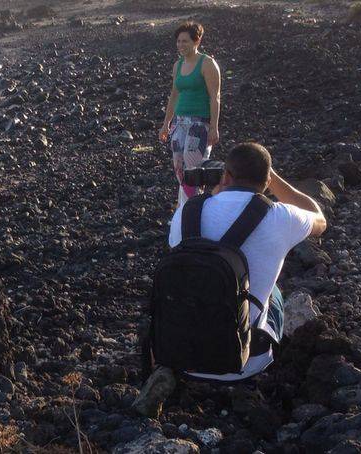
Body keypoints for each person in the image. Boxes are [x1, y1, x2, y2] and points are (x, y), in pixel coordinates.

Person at [133, 142, 327, 414]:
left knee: (194, 275)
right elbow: (320, 220)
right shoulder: (280, 216)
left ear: (225, 175)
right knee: (273, 291)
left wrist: (214, 193)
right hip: (243, 364)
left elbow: (198, 264)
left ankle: (173, 368)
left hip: (181, 355)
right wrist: (274, 179)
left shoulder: (185, 213)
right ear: (267, 179)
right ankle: (260, 368)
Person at [158, 21, 221, 207]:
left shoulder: (207, 64)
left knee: (194, 168)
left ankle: (192, 208)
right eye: (178, 41)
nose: (180, 45)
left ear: (197, 41)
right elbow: (174, 95)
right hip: (179, 122)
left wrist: (214, 127)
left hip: (199, 123)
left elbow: (215, 97)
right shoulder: (177, 66)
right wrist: (166, 123)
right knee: (179, 167)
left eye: (185, 41)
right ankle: (187, 207)